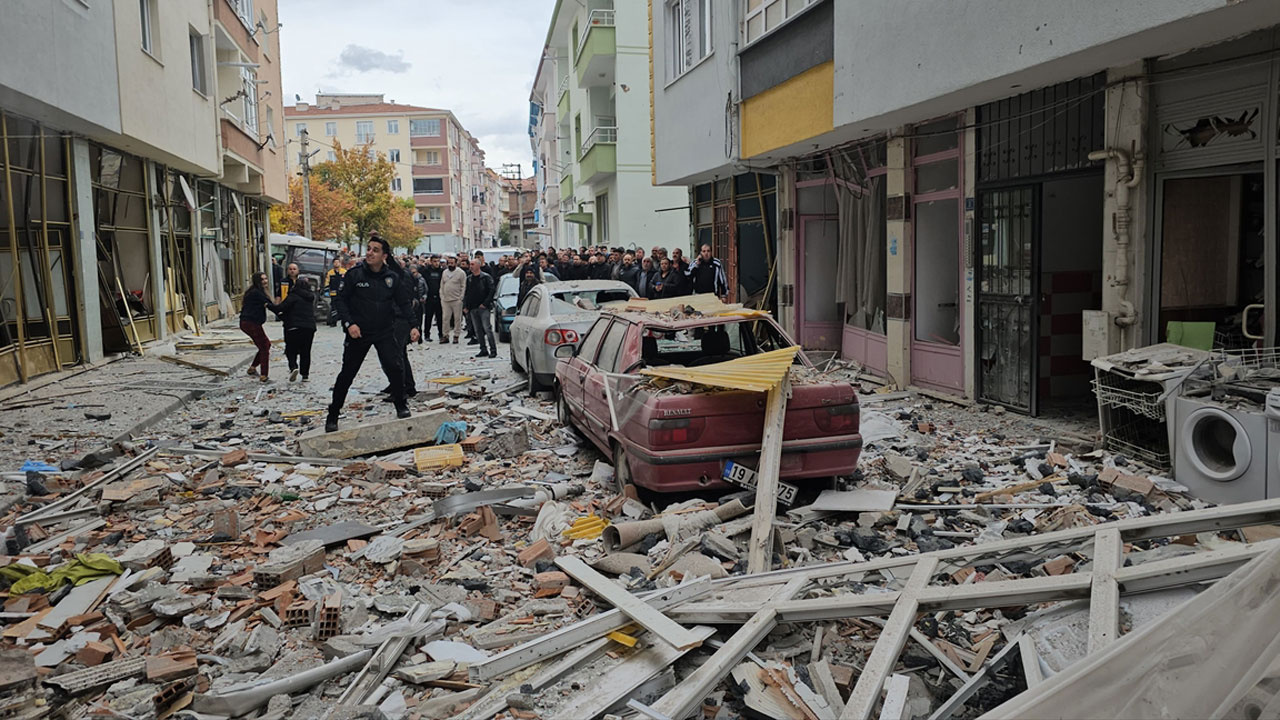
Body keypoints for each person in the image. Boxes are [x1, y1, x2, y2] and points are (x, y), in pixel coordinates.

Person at [326, 235, 419, 432]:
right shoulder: (355, 275)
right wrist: (349, 323)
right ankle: (333, 414)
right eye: (368, 249)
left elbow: (404, 303)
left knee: (395, 368)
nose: (369, 253)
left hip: (384, 331)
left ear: (384, 255)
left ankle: (401, 405)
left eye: (375, 250)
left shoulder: (392, 278)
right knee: (347, 374)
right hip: (358, 332)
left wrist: (413, 325)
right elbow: (341, 301)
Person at [272, 276, 317, 382]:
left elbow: (280, 308)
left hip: (293, 327)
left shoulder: (293, 296)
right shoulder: (311, 297)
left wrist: (268, 305)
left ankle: (293, 367)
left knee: (291, 349)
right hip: (309, 327)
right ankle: (305, 375)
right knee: (306, 351)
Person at [239, 272, 276, 383]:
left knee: (265, 345)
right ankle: (264, 375)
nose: (265, 281)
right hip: (251, 323)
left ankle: (253, 368)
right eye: (262, 279)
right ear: (257, 281)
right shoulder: (257, 293)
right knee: (265, 347)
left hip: (249, 322)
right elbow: (270, 305)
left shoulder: (254, 291)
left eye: (266, 278)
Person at [464, 258, 498, 358]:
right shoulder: (469, 278)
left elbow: (491, 291)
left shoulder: (486, 277)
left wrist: (485, 303)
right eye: (470, 264)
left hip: (483, 307)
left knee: (487, 328)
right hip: (473, 308)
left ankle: (493, 350)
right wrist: (466, 306)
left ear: (478, 265)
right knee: (478, 330)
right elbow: (467, 293)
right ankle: (483, 349)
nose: (471, 266)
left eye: (473, 264)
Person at [440, 256, 468, 344]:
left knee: (457, 318)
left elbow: (463, 286)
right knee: (445, 318)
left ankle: (456, 335)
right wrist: (442, 296)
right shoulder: (444, 272)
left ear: (456, 263)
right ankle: (445, 335)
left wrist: (461, 297)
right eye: (449, 263)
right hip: (446, 300)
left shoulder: (461, 273)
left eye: (452, 263)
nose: (450, 265)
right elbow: (442, 285)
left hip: (456, 299)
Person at [423, 255, 443, 342]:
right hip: (429, 297)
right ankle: (427, 335)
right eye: (434, 261)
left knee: (440, 317)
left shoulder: (442, 271)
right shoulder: (426, 271)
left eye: (438, 261)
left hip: (439, 297)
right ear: (431, 262)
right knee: (428, 317)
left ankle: (441, 334)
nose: (436, 263)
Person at [324, 257, 346, 327]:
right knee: (333, 308)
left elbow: (347, 282)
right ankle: (333, 322)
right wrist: (327, 290)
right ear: (333, 263)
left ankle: (343, 321)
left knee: (342, 307)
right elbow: (327, 282)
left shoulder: (344, 272)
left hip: (342, 294)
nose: (336, 264)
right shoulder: (330, 273)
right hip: (333, 293)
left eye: (338, 262)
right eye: (335, 262)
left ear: (340, 263)